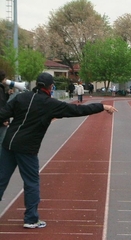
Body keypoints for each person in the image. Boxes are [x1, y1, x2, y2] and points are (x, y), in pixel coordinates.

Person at [0, 72, 117, 229]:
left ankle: (31, 218)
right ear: (50, 87)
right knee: (31, 182)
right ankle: (31, 218)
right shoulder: (50, 104)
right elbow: (77, 110)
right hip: (27, 148)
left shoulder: (21, 97)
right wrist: (102, 106)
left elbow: (3, 114)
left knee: (1, 179)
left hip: (9, 143)